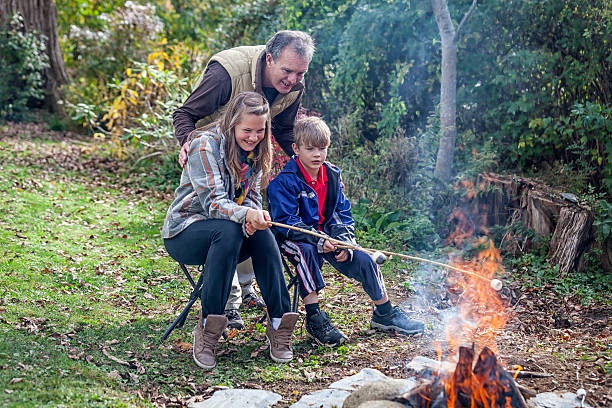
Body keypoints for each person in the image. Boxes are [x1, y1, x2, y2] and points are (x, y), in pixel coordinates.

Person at [173, 30, 315, 327]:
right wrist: (189, 144)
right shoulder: (226, 74)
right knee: (225, 223)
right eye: (287, 71)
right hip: (208, 158)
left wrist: (307, 167)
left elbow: (286, 132)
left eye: (300, 73)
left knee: (255, 222)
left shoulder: (292, 87)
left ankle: (268, 312)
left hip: (243, 162)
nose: (293, 80)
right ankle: (221, 310)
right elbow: (185, 113)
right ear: (269, 59)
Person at [162, 92, 298, 369]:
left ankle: (278, 322)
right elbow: (212, 204)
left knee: (261, 232)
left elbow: (251, 199)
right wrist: (246, 214)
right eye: (247, 130)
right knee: (227, 229)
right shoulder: (204, 146)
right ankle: (208, 329)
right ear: (232, 123)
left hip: (229, 235)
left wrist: (254, 216)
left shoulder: (256, 151)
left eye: (260, 131)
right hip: (186, 232)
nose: (253, 137)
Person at [266, 117, 424, 347]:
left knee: (362, 256)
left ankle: (384, 312)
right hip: (291, 238)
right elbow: (286, 221)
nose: (317, 154)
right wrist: (320, 241)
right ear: (296, 148)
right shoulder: (283, 182)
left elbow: (342, 213)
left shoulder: (332, 175)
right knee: (306, 251)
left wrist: (343, 241)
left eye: (322, 149)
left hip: (329, 236)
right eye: (310, 149)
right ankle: (315, 317)